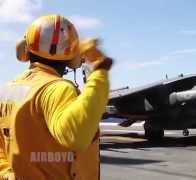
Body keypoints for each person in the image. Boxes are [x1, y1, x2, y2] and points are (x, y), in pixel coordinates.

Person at [0, 14, 112, 180]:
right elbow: (76, 136)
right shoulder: (58, 89)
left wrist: (6, 173)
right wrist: (99, 70)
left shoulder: (6, 90)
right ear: (71, 55)